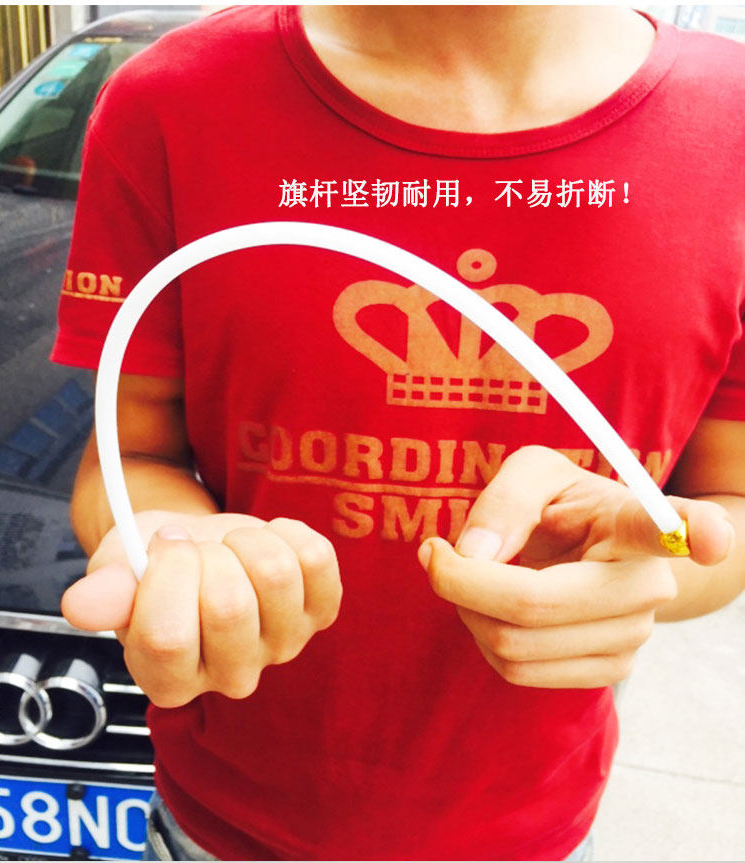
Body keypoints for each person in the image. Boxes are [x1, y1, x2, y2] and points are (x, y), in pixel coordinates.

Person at [53, 6, 744, 861]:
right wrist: (169, 541)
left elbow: (728, 508)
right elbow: (128, 454)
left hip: (540, 824)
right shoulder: (170, 105)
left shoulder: (733, 127)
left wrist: (655, 566)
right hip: (224, 823)